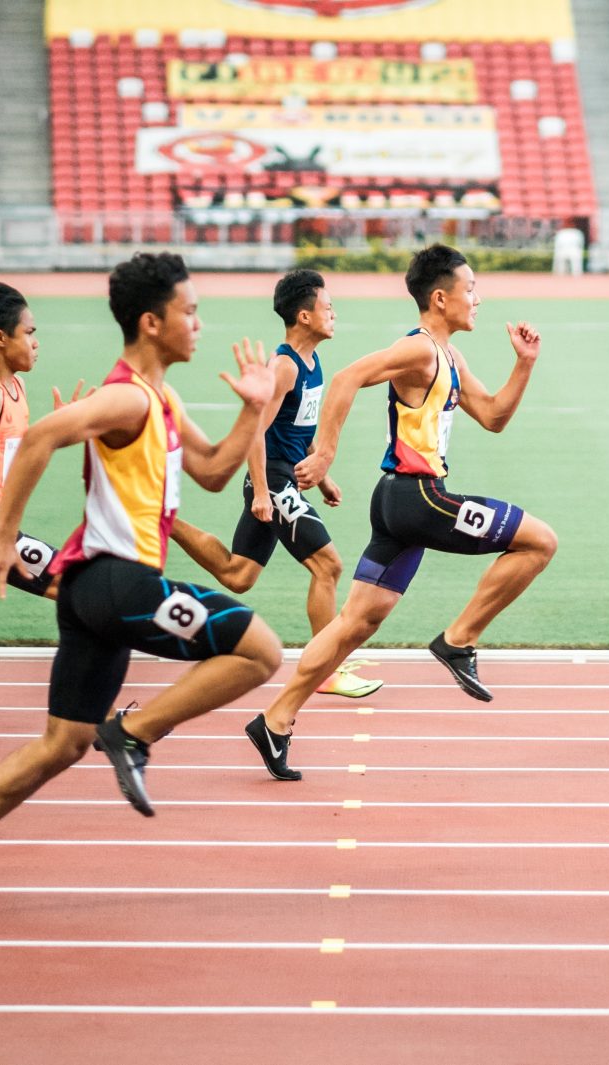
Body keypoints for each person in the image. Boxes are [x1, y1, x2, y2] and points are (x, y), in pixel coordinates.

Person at [0, 252, 283, 918]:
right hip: (113, 581)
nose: (199, 323)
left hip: (94, 593)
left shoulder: (162, 397)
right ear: (153, 322)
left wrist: (255, 410)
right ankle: (132, 733)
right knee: (262, 652)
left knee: (62, 745)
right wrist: (5, 532)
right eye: (190, 312)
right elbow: (42, 435)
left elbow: (216, 470)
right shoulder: (128, 393)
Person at [244, 243, 557, 781]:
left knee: (353, 624)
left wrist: (523, 365)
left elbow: (494, 416)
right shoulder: (417, 351)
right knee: (540, 541)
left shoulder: (450, 356)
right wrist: (324, 453)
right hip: (419, 498)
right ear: (440, 298)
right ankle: (458, 641)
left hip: (398, 505)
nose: (478, 299)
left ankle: (275, 720)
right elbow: (346, 379)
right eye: (471, 289)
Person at [169, 269, 381, 714]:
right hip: (273, 479)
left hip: (287, 476)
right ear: (304, 316)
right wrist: (263, 491)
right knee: (328, 566)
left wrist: (322, 476)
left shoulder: (312, 362)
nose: (333, 313)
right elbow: (255, 433)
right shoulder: (283, 367)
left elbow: (297, 427)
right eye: (327, 307)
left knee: (238, 574)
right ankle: (325, 670)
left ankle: (161, 519)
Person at [0, 281, 88, 694]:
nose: (36, 342)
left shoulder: (16, 387)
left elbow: (18, 452)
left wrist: (61, 425)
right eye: (29, 333)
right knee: (79, 587)